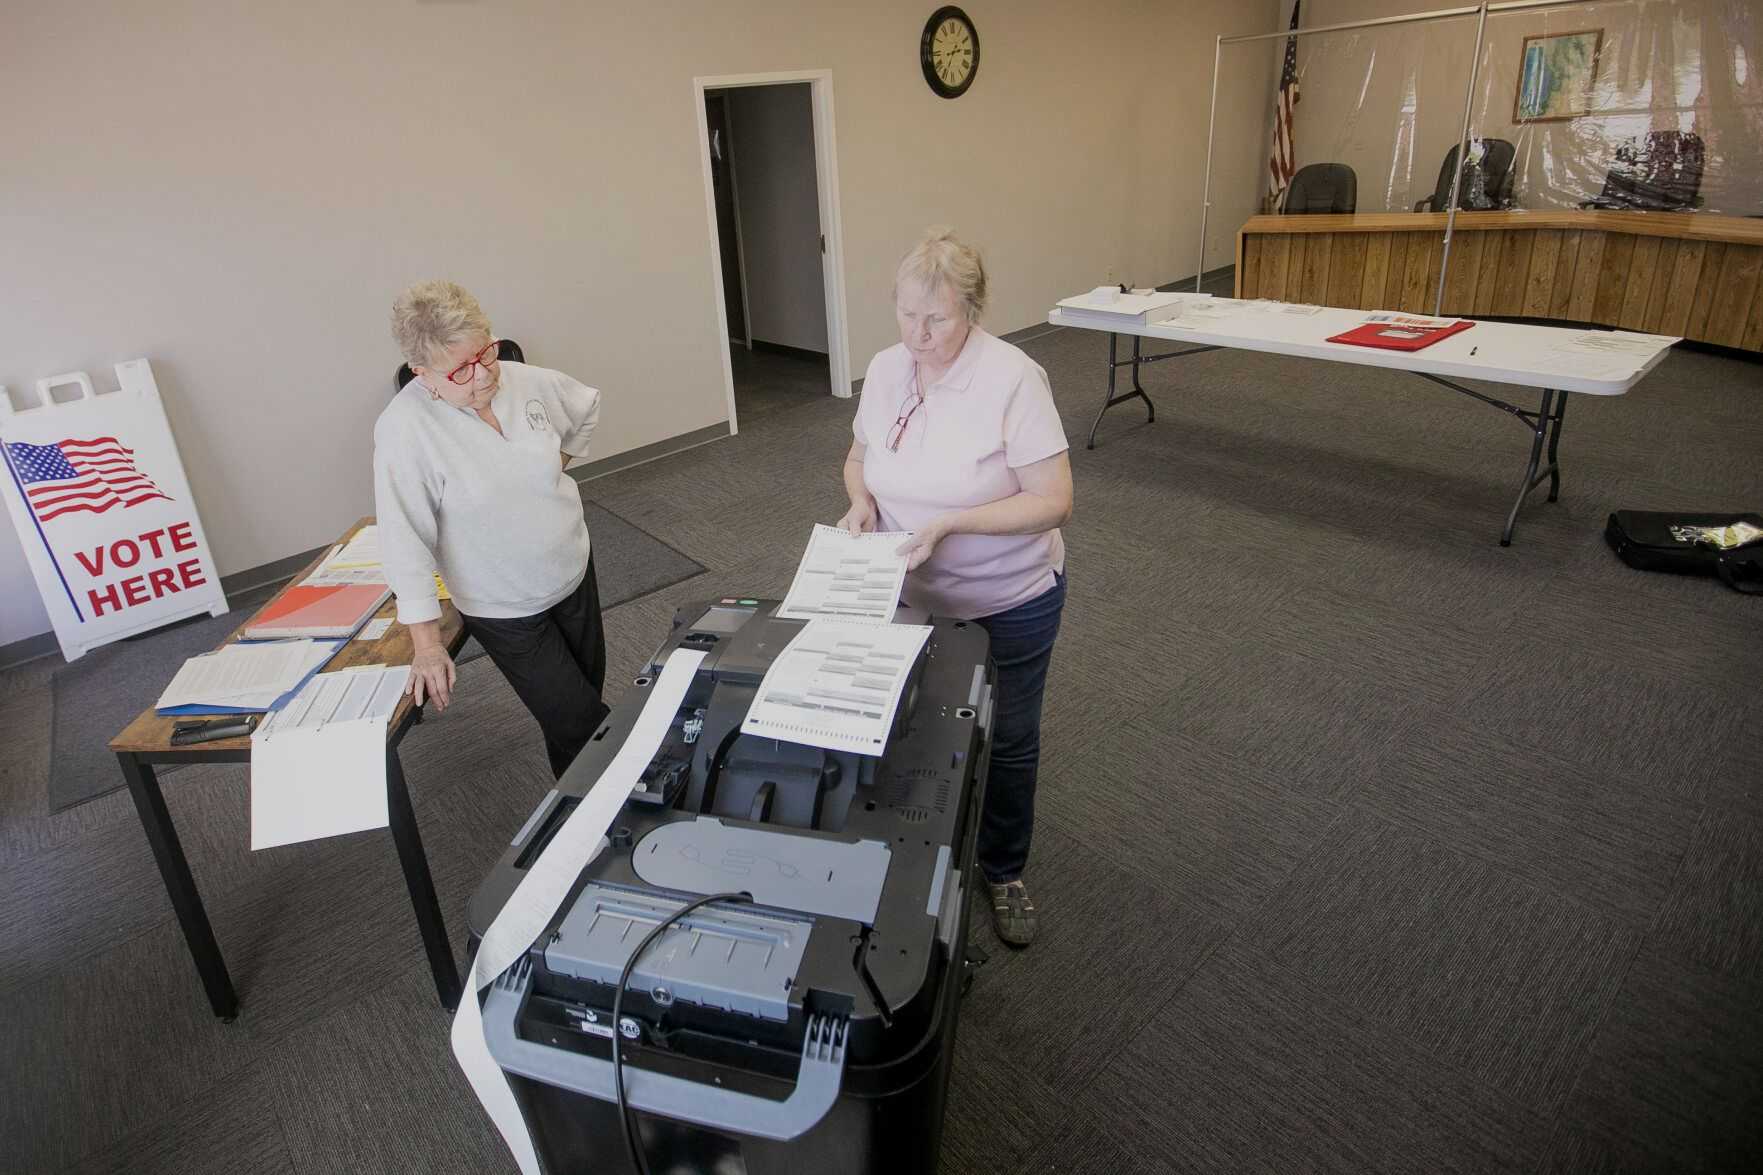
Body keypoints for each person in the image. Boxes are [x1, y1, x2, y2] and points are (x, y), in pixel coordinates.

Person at [836, 229, 1073, 947]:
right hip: (909, 594)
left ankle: (1003, 870)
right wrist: (862, 503)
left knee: (1006, 740)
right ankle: (918, 859)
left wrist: (950, 524)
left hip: (1008, 597)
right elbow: (859, 454)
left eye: (935, 319)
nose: (918, 333)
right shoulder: (886, 368)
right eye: (906, 315)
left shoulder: (1012, 377)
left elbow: (1054, 498)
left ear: (971, 309)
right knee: (915, 729)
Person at [375, 280, 608, 779]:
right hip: (504, 606)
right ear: (422, 373)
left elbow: (585, 406)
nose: (482, 376)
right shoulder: (404, 429)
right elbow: (404, 538)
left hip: (572, 571)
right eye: (461, 369)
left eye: (487, 353)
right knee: (590, 728)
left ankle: (582, 818)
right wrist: (427, 644)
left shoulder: (525, 381)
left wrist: (556, 466)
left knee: (575, 716)